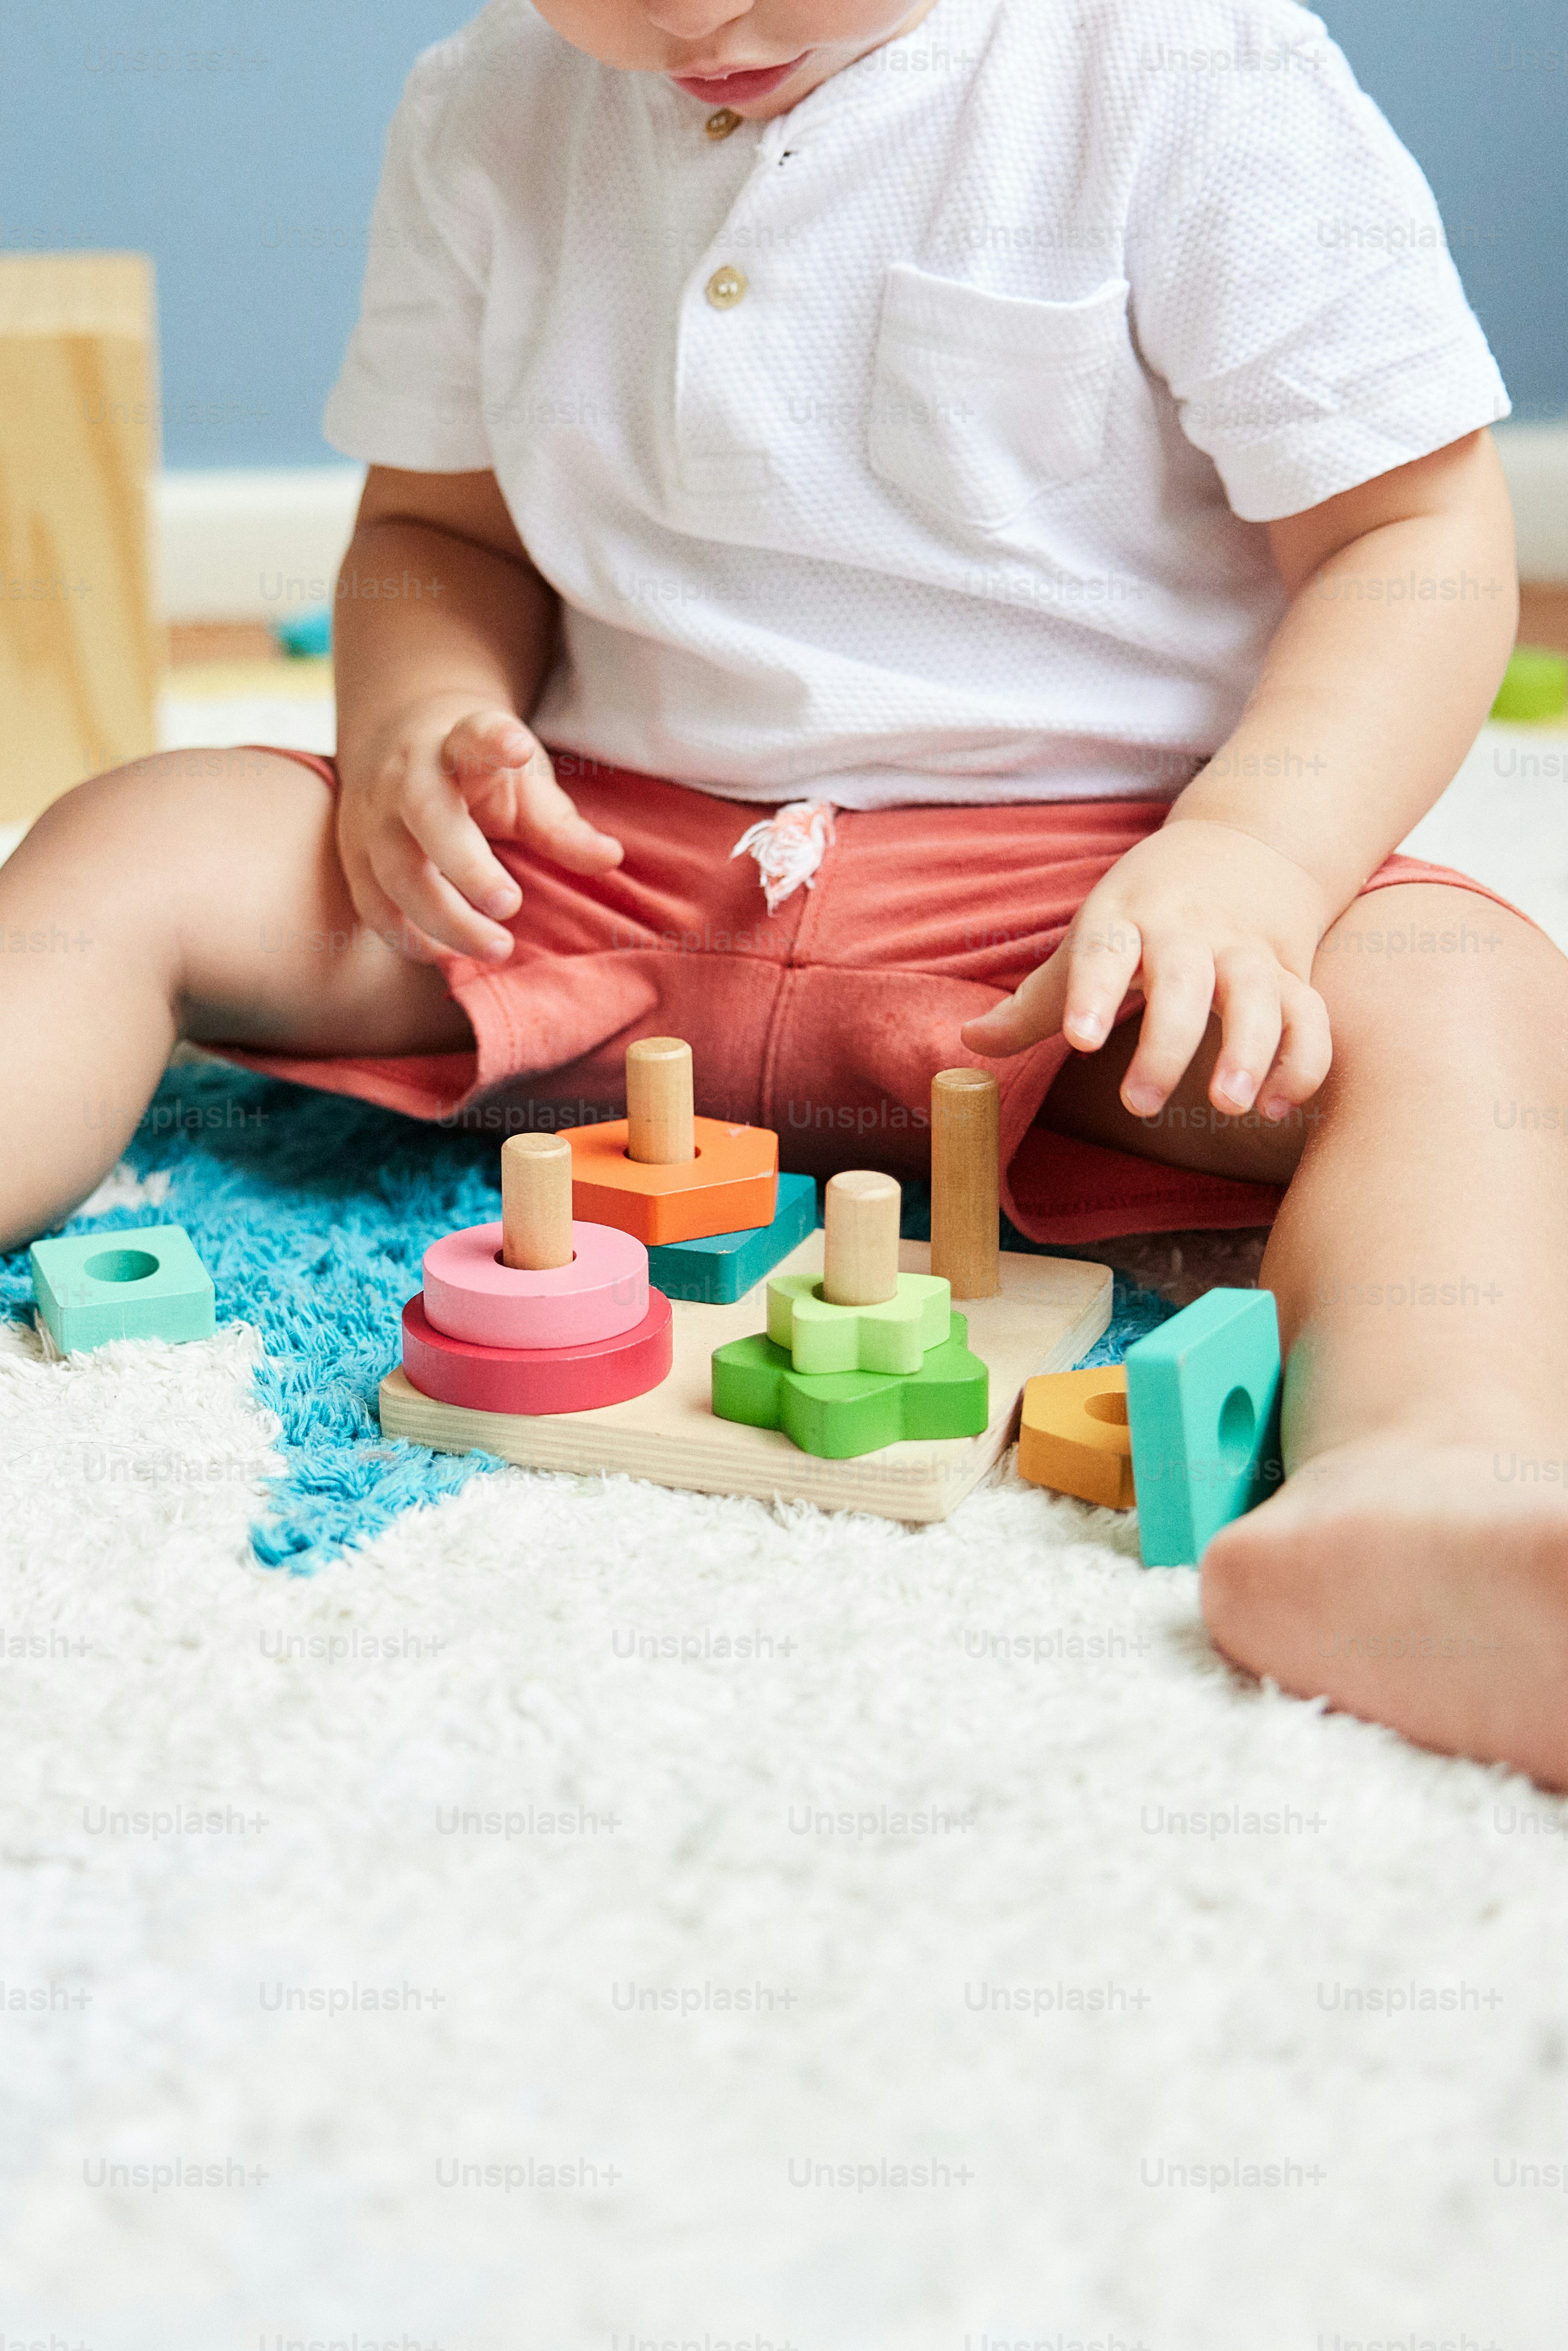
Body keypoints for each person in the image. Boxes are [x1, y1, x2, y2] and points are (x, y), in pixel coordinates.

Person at [6, 0, 1563, 1782]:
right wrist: (426, 718)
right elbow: (445, 534)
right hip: (588, 864)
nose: (688, 20)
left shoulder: (1189, 74)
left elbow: (1410, 545)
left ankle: (1424, 1490)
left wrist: (1258, 859)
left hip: (1084, 915)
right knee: (139, 836)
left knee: (1457, 990)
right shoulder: (486, 107)